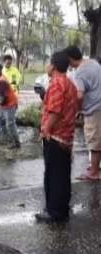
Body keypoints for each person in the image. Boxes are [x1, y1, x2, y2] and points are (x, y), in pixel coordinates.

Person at [35, 51, 80, 223]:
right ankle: (62, 209)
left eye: (48, 62)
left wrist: (46, 129)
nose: (47, 65)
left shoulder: (56, 84)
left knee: (53, 175)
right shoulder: (69, 83)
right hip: (66, 136)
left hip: (55, 136)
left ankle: (54, 212)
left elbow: (54, 111)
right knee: (62, 174)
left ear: (53, 66)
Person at [64, 46, 101, 180]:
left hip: (94, 108)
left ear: (70, 59)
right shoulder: (93, 63)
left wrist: (77, 109)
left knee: (94, 140)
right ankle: (94, 167)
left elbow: (79, 95)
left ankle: (94, 172)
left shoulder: (79, 73)